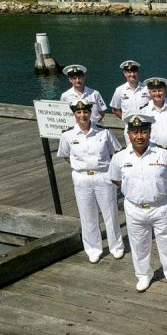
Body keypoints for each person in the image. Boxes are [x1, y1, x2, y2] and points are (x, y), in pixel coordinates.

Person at [108, 114, 167, 293]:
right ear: (128, 134)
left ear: (150, 133)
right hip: (134, 208)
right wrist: (136, 193)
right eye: (135, 132)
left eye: (143, 131)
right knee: (138, 243)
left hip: (161, 206)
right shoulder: (120, 157)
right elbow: (116, 180)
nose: (139, 136)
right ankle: (143, 275)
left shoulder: (165, 154)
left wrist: (161, 191)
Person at [57, 99, 124, 264]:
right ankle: (93, 248)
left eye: (85, 112)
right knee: (87, 214)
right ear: (74, 114)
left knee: (110, 212)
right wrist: (78, 167)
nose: (83, 115)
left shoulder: (104, 132)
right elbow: (65, 154)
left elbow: (117, 153)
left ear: (90, 113)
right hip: (81, 178)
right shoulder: (67, 135)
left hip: (103, 175)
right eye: (79, 112)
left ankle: (116, 246)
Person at [138, 77, 167, 152]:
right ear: (149, 92)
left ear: (165, 91)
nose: (157, 94)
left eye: (160, 90)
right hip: (153, 151)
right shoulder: (144, 111)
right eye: (154, 91)